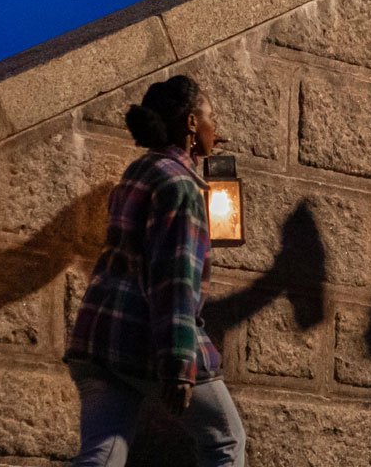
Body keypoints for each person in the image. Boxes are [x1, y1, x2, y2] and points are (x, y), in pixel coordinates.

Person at [64, 75, 245, 467]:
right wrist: (180, 364)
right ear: (192, 124)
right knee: (226, 441)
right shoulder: (181, 186)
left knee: (103, 453)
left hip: (98, 338)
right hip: (140, 338)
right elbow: (174, 281)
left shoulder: (139, 171)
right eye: (212, 116)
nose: (218, 127)